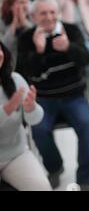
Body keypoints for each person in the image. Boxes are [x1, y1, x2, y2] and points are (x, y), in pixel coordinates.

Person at [16, 0, 89, 191]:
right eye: (43, 13)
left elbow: (87, 60)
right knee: (39, 130)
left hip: (73, 95)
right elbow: (24, 73)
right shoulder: (26, 38)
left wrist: (69, 47)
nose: (49, 17)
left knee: (86, 127)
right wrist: (39, 50)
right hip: (44, 98)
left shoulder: (72, 30)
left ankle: (85, 179)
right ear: (33, 17)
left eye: (52, 12)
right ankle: (55, 166)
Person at [0, 41, 52, 191]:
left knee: (42, 187)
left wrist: (31, 108)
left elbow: (35, 119)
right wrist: (7, 109)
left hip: (15, 155)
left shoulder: (15, 80)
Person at [1, 0, 32, 67]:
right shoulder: (2, 24)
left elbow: (33, 34)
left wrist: (24, 21)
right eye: (21, 2)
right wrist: (15, 22)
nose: (25, 6)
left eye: (27, 2)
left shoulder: (33, 19)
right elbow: (5, 46)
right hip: (12, 66)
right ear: (11, 6)